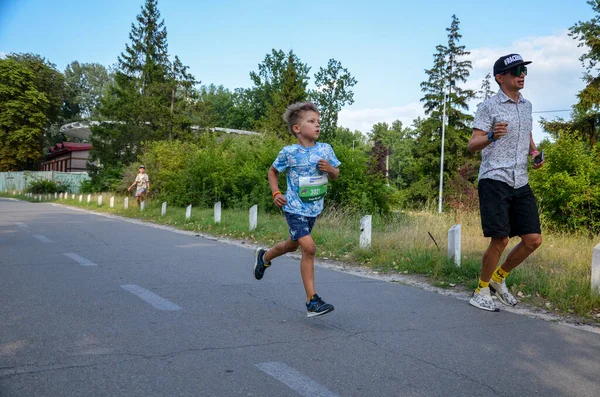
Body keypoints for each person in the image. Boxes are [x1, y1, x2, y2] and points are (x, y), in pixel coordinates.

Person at [467, 54, 545, 312]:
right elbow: (472, 144)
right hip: (495, 178)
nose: (521, 75)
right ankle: (480, 290)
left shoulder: (527, 106)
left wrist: (533, 152)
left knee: (533, 239)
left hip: (520, 179)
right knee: (499, 240)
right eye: (515, 71)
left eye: (523, 70)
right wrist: (491, 135)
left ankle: (498, 280)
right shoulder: (488, 106)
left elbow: (527, 133)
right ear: (500, 78)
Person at [253, 102, 341, 318]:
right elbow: (272, 172)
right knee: (308, 248)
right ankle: (312, 301)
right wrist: (276, 193)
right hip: (293, 207)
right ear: (297, 129)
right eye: (311, 121)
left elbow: (336, 174)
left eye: (318, 122)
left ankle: (264, 257)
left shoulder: (325, 149)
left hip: (314, 208)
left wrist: (331, 170)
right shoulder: (289, 152)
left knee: (293, 245)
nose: (317, 125)